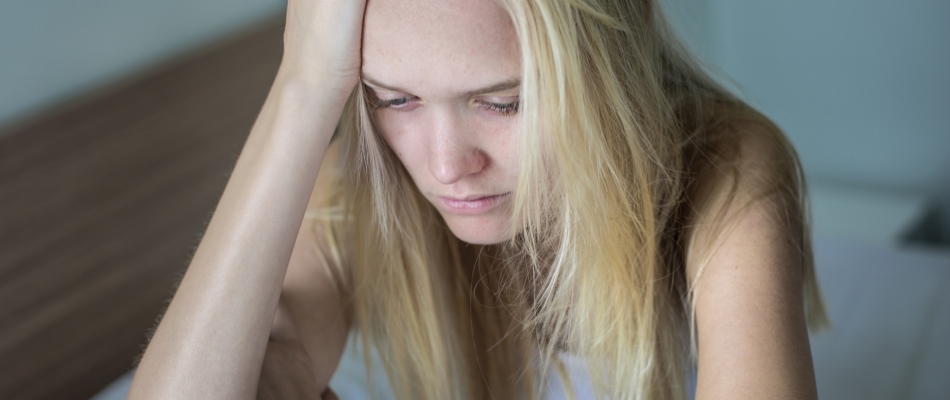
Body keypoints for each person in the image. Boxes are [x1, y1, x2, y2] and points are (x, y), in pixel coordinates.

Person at [128, 0, 828, 398]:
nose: (445, 166)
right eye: (393, 98)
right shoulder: (355, 191)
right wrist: (304, 84)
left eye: (503, 103)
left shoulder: (724, 171)